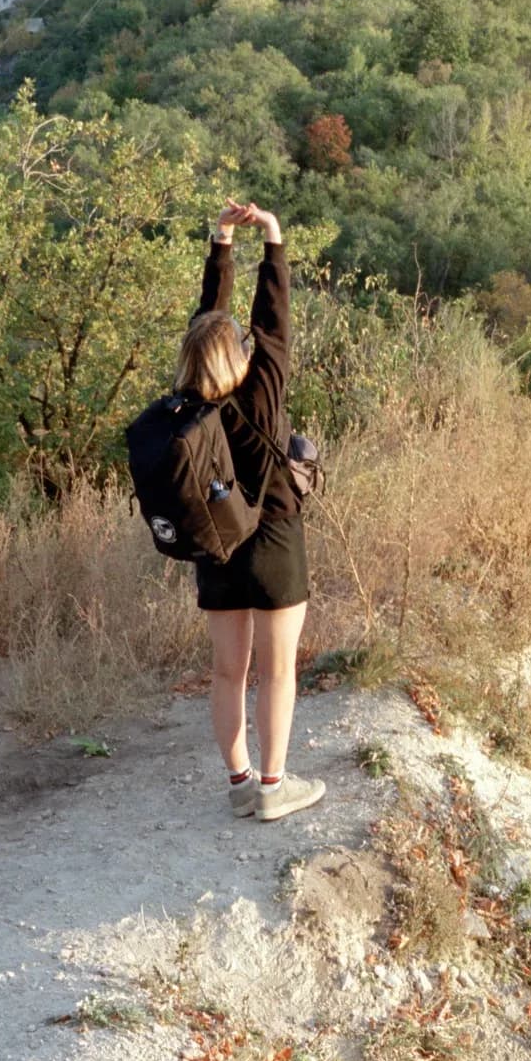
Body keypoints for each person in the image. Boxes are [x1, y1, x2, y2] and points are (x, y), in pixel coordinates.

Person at [174, 199, 325, 824]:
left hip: (217, 540)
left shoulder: (188, 401)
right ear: (240, 354)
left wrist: (221, 245)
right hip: (275, 536)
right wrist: (273, 240)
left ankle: (239, 781)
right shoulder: (264, 391)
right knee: (278, 669)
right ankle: (272, 785)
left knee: (227, 670)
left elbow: (208, 321)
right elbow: (274, 320)